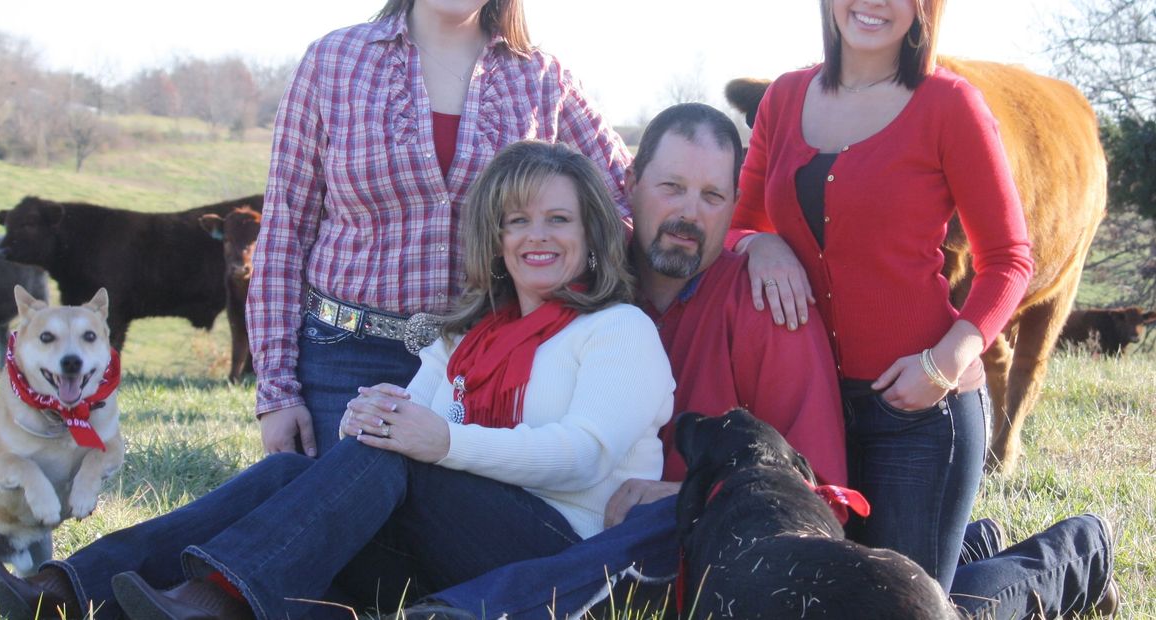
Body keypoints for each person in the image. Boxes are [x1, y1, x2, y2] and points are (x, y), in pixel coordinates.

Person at [401, 103, 1117, 620]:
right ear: (629, 185)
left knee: (921, 609)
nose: (689, 214)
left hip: (721, 544)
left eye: (713, 196)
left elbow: (820, 491)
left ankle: (1072, 555)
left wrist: (683, 497)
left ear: (734, 203)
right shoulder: (583, 271)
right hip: (605, 538)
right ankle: (978, 542)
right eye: (671, 188)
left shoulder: (770, 305)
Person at [0, 141, 674, 620]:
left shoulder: (618, 331)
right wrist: (370, 415)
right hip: (449, 555)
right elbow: (409, 426)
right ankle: (69, 588)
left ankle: (218, 598)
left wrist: (437, 441)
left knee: (397, 454)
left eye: (558, 219)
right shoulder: (468, 334)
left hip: (557, 562)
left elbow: (582, 456)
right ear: (495, 237)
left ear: (592, 234)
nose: (536, 236)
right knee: (298, 471)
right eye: (517, 220)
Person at [727, 0, 1118, 616]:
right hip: (814, 411)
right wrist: (759, 244)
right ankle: (970, 544)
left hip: (919, 415)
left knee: (904, 610)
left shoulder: (950, 105)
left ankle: (1077, 554)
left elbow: (1010, 258)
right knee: (833, 597)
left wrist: (944, 363)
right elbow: (739, 224)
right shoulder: (784, 98)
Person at [250, 0, 632, 459]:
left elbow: (625, 201)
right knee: (332, 502)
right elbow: (284, 230)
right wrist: (277, 391)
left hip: (484, 360)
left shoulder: (542, 78)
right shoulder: (332, 61)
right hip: (342, 358)